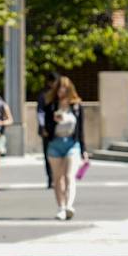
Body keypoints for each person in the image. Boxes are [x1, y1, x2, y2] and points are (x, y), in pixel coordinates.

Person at [42, 75, 88, 221]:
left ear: (69, 89)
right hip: (55, 144)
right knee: (57, 178)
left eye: (65, 88)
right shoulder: (51, 106)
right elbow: (46, 129)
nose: (62, 90)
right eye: (60, 87)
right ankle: (61, 207)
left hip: (72, 144)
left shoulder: (76, 106)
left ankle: (69, 205)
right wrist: (54, 122)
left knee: (69, 176)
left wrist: (84, 149)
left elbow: (80, 129)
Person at [37, 71, 59, 190]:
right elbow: (40, 112)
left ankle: (56, 178)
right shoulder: (44, 95)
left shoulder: (58, 95)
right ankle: (50, 178)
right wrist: (42, 127)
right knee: (48, 155)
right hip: (47, 129)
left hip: (57, 129)